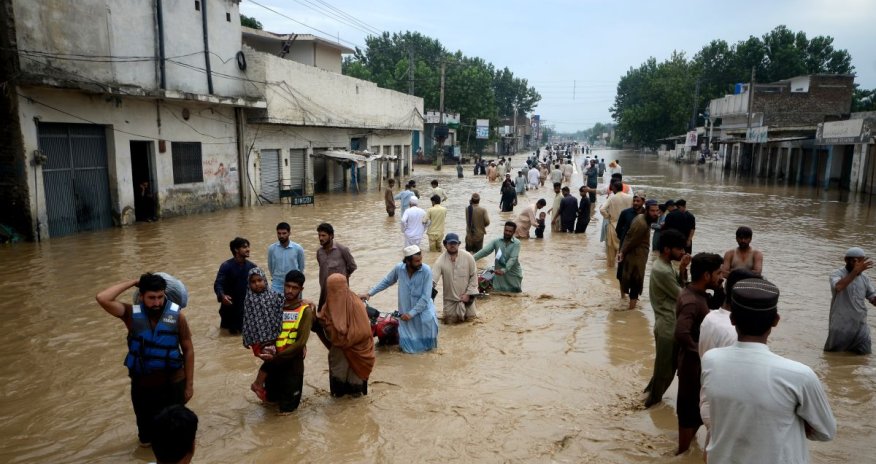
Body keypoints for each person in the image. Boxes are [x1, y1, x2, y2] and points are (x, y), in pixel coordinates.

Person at [701, 278, 836, 463]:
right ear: (776, 320)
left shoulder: (711, 360)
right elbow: (827, 431)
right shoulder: (800, 375)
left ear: (732, 319)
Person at [95, 273, 194, 446]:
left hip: (173, 383)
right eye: (151, 298)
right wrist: (134, 281)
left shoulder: (178, 317)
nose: (156, 303)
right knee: (146, 440)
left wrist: (189, 385)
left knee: (174, 436)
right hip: (143, 385)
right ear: (141, 296)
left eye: (160, 297)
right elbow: (102, 298)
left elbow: (188, 350)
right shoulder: (130, 315)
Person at [674, 252, 724, 455]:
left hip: (696, 365)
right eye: (718, 273)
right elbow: (681, 333)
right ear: (706, 275)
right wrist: (705, 353)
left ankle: (687, 450)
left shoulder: (696, 294)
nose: (721, 277)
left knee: (694, 410)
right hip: (692, 366)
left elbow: (713, 306)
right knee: (688, 413)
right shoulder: (692, 301)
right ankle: (681, 454)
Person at [361, 245, 439, 354]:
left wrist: (411, 314)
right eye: (416, 261)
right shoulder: (399, 269)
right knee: (407, 350)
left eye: (420, 260)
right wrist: (370, 293)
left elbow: (425, 297)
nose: (420, 263)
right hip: (405, 316)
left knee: (428, 351)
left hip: (423, 316)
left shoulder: (426, 271)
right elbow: (387, 281)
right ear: (407, 261)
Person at [643, 230, 689, 408]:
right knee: (665, 372)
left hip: (666, 323)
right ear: (667, 249)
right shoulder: (662, 270)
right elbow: (683, 295)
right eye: (680, 249)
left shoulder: (665, 265)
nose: (683, 253)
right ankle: (650, 405)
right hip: (668, 326)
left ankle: (648, 399)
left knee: (662, 369)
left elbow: (679, 286)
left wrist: (683, 270)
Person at [262, 270, 313, 414]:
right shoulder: (275, 306)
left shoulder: (306, 311)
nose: (290, 291)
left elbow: (300, 343)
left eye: (294, 288)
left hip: (292, 367)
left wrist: (275, 358)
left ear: (301, 289)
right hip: (272, 365)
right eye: (287, 286)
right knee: (269, 406)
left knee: (287, 413)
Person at [318, 273, 375, 397]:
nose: (334, 294)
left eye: (337, 290)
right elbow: (321, 322)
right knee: (338, 392)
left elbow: (364, 332)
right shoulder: (328, 306)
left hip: (359, 353)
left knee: (356, 392)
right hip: (339, 354)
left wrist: (343, 340)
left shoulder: (356, 305)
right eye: (331, 290)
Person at [241, 268, 285, 401]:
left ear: (265, 280)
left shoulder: (273, 295)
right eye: (253, 282)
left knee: (277, 366)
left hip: (275, 338)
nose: (257, 284)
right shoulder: (249, 300)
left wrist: (305, 302)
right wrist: (248, 341)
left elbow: (286, 305)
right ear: (249, 284)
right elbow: (247, 322)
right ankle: (258, 384)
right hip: (259, 341)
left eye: (259, 280)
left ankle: (269, 394)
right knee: (272, 360)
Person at [824, 247, 876, 354]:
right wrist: (855, 272)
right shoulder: (837, 274)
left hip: (860, 326)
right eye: (855, 261)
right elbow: (838, 287)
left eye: (860, 261)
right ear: (846, 260)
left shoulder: (864, 278)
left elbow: (872, 298)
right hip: (841, 325)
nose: (858, 264)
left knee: (864, 357)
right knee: (834, 357)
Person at [315, 223, 357, 347]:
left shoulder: (342, 249)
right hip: (325, 292)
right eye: (319, 235)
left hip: (340, 294)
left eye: (323, 235)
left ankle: (343, 344)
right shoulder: (319, 252)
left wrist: (344, 277)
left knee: (342, 320)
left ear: (331, 236)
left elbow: (352, 266)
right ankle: (331, 344)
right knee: (323, 319)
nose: (321, 238)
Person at [618, 200, 659, 310]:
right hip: (636, 257)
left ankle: (628, 303)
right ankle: (631, 310)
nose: (655, 213)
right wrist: (623, 252)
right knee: (636, 282)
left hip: (636, 255)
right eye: (652, 211)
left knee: (630, 280)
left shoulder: (643, 219)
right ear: (647, 210)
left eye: (657, 211)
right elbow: (632, 240)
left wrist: (622, 251)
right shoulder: (642, 223)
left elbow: (628, 236)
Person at [432, 233, 479, 324]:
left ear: (459, 244)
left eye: (455, 243)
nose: (453, 245)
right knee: (450, 325)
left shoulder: (468, 257)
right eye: (450, 243)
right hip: (450, 301)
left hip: (468, 300)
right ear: (445, 245)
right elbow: (433, 280)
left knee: (471, 323)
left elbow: (474, 276)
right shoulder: (440, 261)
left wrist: (468, 294)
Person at [214, 237, 257, 334]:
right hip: (229, 308)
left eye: (248, 247)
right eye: (244, 247)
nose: (248, 249)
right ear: (236, 249)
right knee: (226, 335)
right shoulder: (226, 266)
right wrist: (222, 296)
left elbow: (259, 287)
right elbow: (218, 283)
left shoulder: (252, 267)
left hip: (246, 308)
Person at [473, 221, 523, 293]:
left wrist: (504, 270)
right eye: (506, 230)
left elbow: (513, 258)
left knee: (515, 295)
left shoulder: (517, 243)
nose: (507, 233)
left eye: (510, 231)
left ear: (514, 232)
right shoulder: (496, 241)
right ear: (504, 230)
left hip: (513, 275)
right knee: (498, 294)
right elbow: (484, 251)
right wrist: (471, 258)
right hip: (499, 276)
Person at [599, 181, 632, 268]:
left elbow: (602, 209)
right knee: (624, 252)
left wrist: (608, 216)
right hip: (627, 228)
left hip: (613, 226)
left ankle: (610, 271)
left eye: (612, 188)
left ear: (614, 188)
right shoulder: (630, 198)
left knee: (611, 253)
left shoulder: (612, 198)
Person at [267, 222, 306, 294]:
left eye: (284, 233)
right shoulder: (272, 249)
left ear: (289, 233)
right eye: (279, 233)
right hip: (277, 284)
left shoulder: (298, 249)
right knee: (275, 304)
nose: (281, 236)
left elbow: (301, 267)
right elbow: (271, 267)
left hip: (293, 284)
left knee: (295, 305)